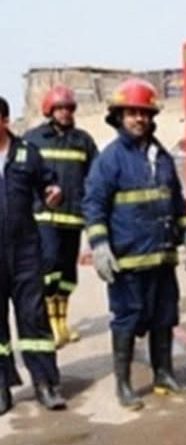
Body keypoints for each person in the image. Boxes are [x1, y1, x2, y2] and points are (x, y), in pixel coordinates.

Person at [82, 78, 186, 411]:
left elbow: (176, 201)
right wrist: (100, 245)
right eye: (132, 113)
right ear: (119, 116)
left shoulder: (161, 157)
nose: (139, 119)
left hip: (162, 258)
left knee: (165, 317)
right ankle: (124, 384)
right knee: (127, 320)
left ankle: (164, 375)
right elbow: (94, 205)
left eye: (144, 113)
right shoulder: (110, 159)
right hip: (128, 262)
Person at [0, 95, 67, 414]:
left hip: (25, 250)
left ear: (4, 121)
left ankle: (44, 384)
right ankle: (1, 387)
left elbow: (49, 185)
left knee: (34, 318)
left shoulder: (27, 153)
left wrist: (53, 193)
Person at [24, 85, 98, 347]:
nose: (65, 112)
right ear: (50, 110)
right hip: (44, 217)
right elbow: (23, 175)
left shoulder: (83, 141)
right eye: (60, 108)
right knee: (50, 264)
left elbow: (95, 177)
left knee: (67, 273)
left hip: (73, 218)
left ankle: (62, 323)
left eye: (68, 108)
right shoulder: (33, 139)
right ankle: (50, 323)